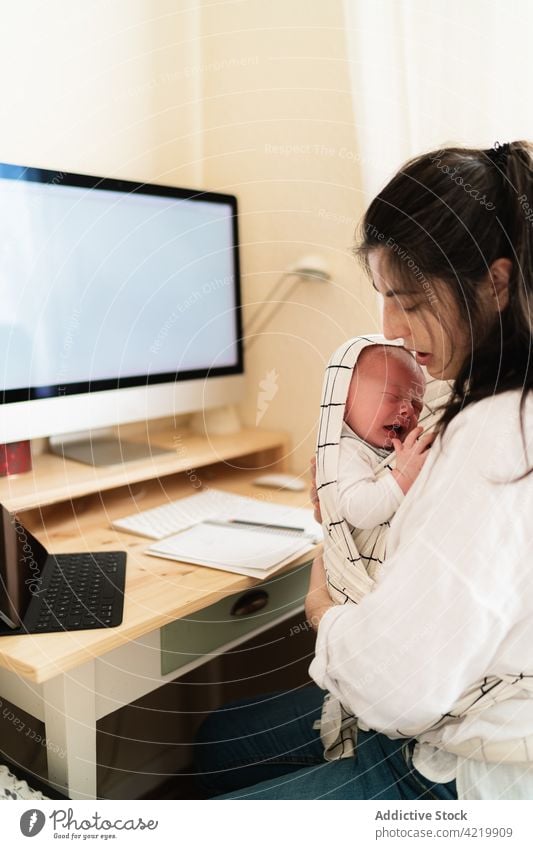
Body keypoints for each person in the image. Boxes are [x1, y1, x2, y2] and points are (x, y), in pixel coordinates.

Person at [194, 140, 533, 800]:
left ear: (493, 282)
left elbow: (397, 681)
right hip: (446, 705)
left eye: (406, 300)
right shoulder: (483, 397)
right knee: (213, 740)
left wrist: (323, 610)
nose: (390, 328)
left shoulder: (496, 441)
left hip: (457, 773)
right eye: (381, 296)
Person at [317, 337, 432, 605]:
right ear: (343, 401)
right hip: (363, 585)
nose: (406, 410)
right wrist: (402, 476)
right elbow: (360, 510)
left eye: (417, 404)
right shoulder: (347, 451)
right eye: (392, 397)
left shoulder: (392, 450)